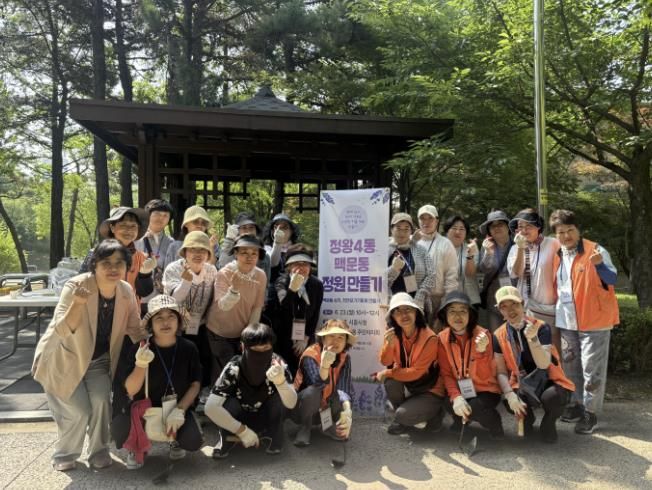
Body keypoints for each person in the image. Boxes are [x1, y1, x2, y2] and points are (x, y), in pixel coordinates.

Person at [32, 240, 145, 471]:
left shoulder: (125, 291)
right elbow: (62, 330)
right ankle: (65, 453)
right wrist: (78, 304)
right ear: (94, 265)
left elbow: (135, 329)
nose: (113, 268)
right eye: (106, 262)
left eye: (119, 263)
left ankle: (99, 450)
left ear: (127, 266)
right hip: (64, 358)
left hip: (99, 361)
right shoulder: (76, 285)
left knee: (102, 402)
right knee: (79, 411)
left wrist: (159, 336)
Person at [112, 295, 203, 469]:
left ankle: (175, 440)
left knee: (193, 440)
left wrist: (180, 410)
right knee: (118, 428)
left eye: (171, 316)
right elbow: (130, 390)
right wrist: (140, 364)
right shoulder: (140, 348)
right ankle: (137, 446)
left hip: (175, 407)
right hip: (143, 410)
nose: (165, 322)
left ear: (179, 321)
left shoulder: (188, 348)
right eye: (159, 318)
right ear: (150, 324)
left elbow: (195, 384)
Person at [549, 209, 619, 434]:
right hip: (567, 322)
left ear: (578, 230)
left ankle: (591, 413)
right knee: (571, 369)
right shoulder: (558, 254)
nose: (566, 236)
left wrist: (599, 265)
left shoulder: (595, 250)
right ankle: (577, 405)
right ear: (556, 235)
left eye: (570, 230)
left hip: (594, 322)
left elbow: (612, 279)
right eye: (561, 232)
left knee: (592, 371)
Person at [492, 286, 575, 443]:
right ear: (500, 311)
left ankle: (548, 423)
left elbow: (543, 364)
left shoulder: (541, 327)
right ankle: (527, 418)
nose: (510, 310)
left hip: (548, 379)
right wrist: (509, 395)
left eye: (514, 304)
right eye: (504, 306)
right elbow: (501, 372)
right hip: (522, 382)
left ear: (522, 304)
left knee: (555, 397)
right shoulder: (498, 335)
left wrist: (533, 340)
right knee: (510, 401)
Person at [205, 323, 297, 457]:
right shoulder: (234, 367)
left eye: (266, 348)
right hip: (239, 417)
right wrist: (242, 431)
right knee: (226, 401)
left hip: (267, 415)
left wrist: (281, 382)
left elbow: (291, 403)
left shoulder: (277, 365)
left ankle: (273, 435)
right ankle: (227, 437)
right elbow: (210, 408)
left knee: (279, 398)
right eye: (255, 349)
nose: (261, 354)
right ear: (243, 347)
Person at [374, 292, 444, 434]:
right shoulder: (394, 333)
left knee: (401, 414)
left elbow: (416, 372)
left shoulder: (430, 338)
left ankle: (435, 413)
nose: (404, 315)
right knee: (390, 382)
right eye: (398, 311)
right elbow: (385, 361)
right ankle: (408, 418)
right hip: (410, 384)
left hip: (429, 388)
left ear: (416, 313)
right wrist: (389, 345)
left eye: (408, 309)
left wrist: (387, 372)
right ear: (393, 317)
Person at [437, 291, 504, 438]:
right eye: (452, 311)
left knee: (474, 408)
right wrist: (456, 397)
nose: (457, 316)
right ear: (445, 315)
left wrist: (482, 352)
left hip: (486, 389)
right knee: (447, 401)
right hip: (461, 387)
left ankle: (494, 422)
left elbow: (488, 375)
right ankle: (461, 420)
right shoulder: (441, 338)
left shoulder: (484, 336)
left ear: (470, 315)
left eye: (463, 311)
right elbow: (446, 374)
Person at [163, 231, 217, 398]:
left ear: (208, 254)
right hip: (177, 329)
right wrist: (186, 282)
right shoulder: (173, 269)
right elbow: (173, 298)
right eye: (193, 249)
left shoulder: (212, 270)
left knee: (201, 363)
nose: (198, 254)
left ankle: (198, 397)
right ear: (185, 252)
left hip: (201, 326)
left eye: (202, 250)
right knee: (179, 365)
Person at [206, 234, 267, 382]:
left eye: (254, 253)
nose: (249, 257)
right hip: (218, 331)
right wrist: (234, 289)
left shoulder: (260, 275)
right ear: (236, 254)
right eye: (244, 252)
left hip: (242, 332)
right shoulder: (225, 273)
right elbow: (222, 305)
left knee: (240, 370)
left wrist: (249, 335)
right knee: (224, 372)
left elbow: (257, 307)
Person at [292, 319, 355, 447]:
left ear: (346, 342)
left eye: (340, 337)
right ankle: (305, 427)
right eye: (331, 336)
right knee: (312, 392)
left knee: (343, 397)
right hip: (302, 408)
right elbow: (317, 384)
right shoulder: (310, 355)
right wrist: (325, 365)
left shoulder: (345, 358)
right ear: (323, 339)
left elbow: (344, 387)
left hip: (325, 406)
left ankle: (326, 426)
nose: (336, 341)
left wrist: (348, 411)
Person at [506, 208, 561, 352]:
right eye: (520, 227)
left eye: (529, 226)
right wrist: (520, 248)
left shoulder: (553, 244)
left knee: (552, 348)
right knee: (528, 348)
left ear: (538, 227)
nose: (524, 230)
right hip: (525, 307)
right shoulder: (514, 249)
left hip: (548, 306)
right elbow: (516, 273)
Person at [80, 206, 156, 302]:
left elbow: (144, 292)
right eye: (123, 225)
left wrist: (145, 274)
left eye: (133, 226)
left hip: (131, 310)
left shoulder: (142, 257)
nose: (129, 230)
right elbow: (82, 284)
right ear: (112, 228)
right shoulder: (96, 254)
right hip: (100, 309)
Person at [269, 245, 324, 375]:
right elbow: (283, 307)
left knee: (306, 369)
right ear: (289, 266)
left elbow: (315, 312)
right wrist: (292, 290)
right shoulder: (282, 282)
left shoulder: (316, 284)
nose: (301, 267)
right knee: (286, 370)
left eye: (305, 264)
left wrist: (306, 337)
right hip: (283, 335)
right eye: (296, 264)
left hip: (305, 335)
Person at [412, 204, 458, 317]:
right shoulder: (410, 242)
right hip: (413, 298)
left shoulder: (445, 244)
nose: (426, 222)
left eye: (430, 218)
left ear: (437, 221)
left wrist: (445, 306)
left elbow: (451, 277)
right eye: (422, 218)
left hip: (437, 300)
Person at [387, 212, 436, 319]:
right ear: (391, 229)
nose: (402, 232)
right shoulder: (382, 250)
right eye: (398, 228)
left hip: (416, 304)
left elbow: (431, 274)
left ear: (411, 231)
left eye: (406, 229)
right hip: (391, 306)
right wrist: (393, 269)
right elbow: (377, 279)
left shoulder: (420, 249)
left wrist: (420, 296)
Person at [478, 210, 514, 331]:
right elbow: (484, 269)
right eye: (493, 226)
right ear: (489, 230)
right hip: (494, 299)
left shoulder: (517, 244)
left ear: (508, 227)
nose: (497, 228)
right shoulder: (487, 245)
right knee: (497, 334)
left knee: (516, 334)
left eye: (500, 224)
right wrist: (488, 253)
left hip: (514, 298)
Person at [135, 199, 176, 306]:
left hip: (161, 300)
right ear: (148, 215)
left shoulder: (172, 244)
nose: (161, 218)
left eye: (165, 215)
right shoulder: (135, 239)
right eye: (157, 214)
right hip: (136, 298)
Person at [217, 212, 271, 282]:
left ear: (256, 231)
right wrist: (229, 240)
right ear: (237, 231)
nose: (248, 231)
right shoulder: (232, 250)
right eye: (244, 228)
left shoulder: (264, 257)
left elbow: (265, 284)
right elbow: (223, 268)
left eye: (251, 228)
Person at [443, 215, 481, 308]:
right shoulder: (439, 249)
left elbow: (470, 274)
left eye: (462, 229)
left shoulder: (471, 248)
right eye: (454, 228)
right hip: (446, 300)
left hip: (470, 299)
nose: (458, 232)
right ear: (447, 231)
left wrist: (470, 255)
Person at [262, 213, 300, 304]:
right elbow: (272, 263)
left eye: (285, 227)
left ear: (291, 231)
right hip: (271, 295)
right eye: (276, 227)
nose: (280, 230)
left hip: (294, 291)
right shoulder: (266, 249)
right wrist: (277, 243)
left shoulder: (298, 249)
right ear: (272, 231)